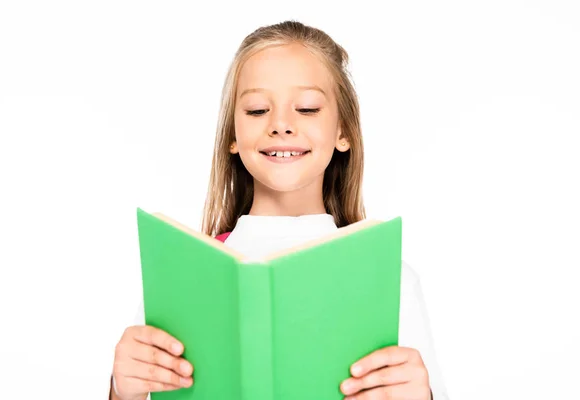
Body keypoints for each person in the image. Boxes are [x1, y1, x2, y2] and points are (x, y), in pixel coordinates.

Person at [109, 20, 449, 400]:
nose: (281, 125)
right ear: (232, 137)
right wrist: (123, 391)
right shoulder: (181, 275)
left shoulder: (391, 278)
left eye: (306, 108)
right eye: (256, 110)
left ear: (343, 131)